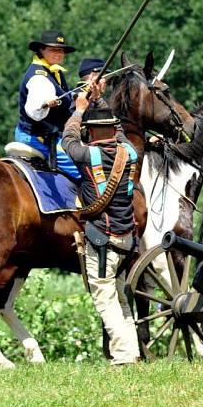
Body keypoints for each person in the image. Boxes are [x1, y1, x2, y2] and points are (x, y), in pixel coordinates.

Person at [61, 91, 140, 366]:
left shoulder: (89, 154)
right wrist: (101, 100)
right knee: (120, 296)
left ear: (91, 132)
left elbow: (67, 140)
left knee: (104, 297)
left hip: (103, 239)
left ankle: (124, 356)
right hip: (127, 238)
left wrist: (80, 109)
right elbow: (118, 133)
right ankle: (133, 349)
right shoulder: (129, 152)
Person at [15, 30, 82, 180]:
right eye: (53, 49)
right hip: (37, 137)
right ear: (41, 50)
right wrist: (45, 103)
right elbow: (34, 110)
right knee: (82, 171)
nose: (58, 53)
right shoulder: (39, 77)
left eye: (61, 50)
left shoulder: (54, 71)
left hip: (50, 134)